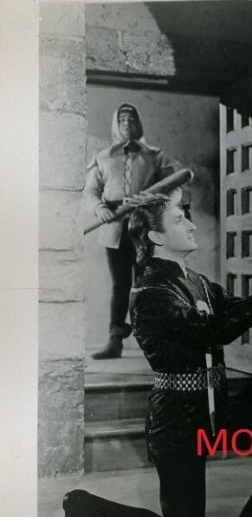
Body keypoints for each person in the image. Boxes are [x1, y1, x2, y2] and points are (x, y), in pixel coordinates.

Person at [58, 198, 252, 517]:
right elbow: (217, 330)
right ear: (155, 236)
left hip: (215, 407)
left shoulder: (195, 281)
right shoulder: (150, 293)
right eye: (180, 220)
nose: (192, 226)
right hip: (177, 421)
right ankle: (86, 505)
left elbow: (244, 312)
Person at [83, 103, 176, 359]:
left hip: (144, 226)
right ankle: (115, 341)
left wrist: (153, 201)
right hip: (114, 228)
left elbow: (174, 188)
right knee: (120, 285)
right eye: (122, 119)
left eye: (132, 119)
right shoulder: (103, 158)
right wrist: (100, 208)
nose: (127, 124)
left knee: (146, 284)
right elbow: (90, 192)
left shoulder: (156, 156)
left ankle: (153, 342)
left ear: (139, 123)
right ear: (116, 123)